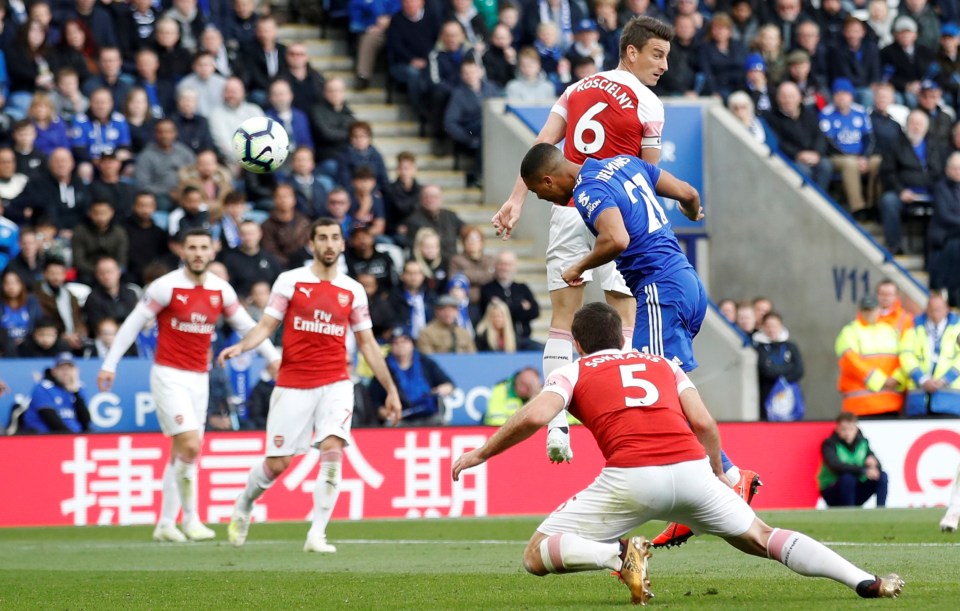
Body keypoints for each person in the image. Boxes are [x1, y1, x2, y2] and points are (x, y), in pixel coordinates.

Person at [452, 303, 904, 605]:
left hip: (630, 478)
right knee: (763, 538)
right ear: (620, 337)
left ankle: (619, 556)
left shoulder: (576, 370)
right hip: (692, 470)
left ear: (579, 343)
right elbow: (704, 423)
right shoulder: (663, 364)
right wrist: (719, 477)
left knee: (536, 555)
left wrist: (481, 453)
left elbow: (534, 417)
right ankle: (864, 580)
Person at [520, 143, 760, 544]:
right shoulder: (626, 162)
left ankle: (728, 481)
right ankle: (721, 484)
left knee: (657, 397)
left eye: (537, 192)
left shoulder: (587, 190)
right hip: (688, 284)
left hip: (657, 292)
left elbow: (616, 239)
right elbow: (687, 192)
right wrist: (692, 211)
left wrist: (577, 266)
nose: (542, 198)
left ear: (547, 179)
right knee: (669, 395)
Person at [491, 16, 671, 463]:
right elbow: (645, 178)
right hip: (617, 215)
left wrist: (516, 200)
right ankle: (628, 423)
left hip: (569, 209)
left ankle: (556, 425)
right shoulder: (648, 103)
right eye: (657, 54)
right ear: (631, 51)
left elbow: (542, 146)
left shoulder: (577, 88)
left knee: (560, 321)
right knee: (624, 318)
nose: (664, 65)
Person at [217, 218, 402, 553]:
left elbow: (369, 345)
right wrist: (242, 346)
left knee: (333, 447)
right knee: (278, 464)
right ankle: (244, 505)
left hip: (336, 382)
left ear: (342, 245)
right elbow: (266, 326)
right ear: (312, 244)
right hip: (294, 383)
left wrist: (390, 389)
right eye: (323, 238)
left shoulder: (353, 290)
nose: (329, 244)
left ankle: (317, 533)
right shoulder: (290, 281)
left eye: (335, 238)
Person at [97, 229, 281, 544]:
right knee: (192, 445)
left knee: (183, 451)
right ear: (183, 251)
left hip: (200, 378)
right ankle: (192, 519)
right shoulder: (165, 287)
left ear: (213, 252)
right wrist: (110, 363)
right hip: (168, 375)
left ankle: (166, 523)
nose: (197, 253)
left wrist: (272, 356)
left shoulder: (221, 291)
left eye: (203, 248)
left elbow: (247, 326)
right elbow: (133, 322)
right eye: (192, 247)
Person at [819, 78, 882, 217]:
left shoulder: (860, 111)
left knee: (877, 161)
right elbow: (828, 143)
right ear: (833, 96)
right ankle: (858, 208)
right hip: (838, 157)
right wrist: (853, 157)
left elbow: (869, 138)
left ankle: (873, 205)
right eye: (838, 93)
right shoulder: (826, 113)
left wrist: (864, 157)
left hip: (860, 156)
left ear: (851, 95)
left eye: (845, 93)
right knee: (850, 164)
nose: (841, 97)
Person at [835, 294, 904, 418]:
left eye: (872, 309)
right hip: (861, 405)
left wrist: (897, 378)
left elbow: (903, 357)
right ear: (860, 311)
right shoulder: (850, 331)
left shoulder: (889, 331)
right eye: (866, 310)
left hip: (890, 403)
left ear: (879, 310)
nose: (869, 313)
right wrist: (880, 380)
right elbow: (850, 361)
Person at [369, 325, 453, 425]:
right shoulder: (384, 368)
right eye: (396, 343)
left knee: (440, 422)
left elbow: (448, 384)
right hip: (401, 417)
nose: (401, 346)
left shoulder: (425, 362)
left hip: (428, 414)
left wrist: (443, 388)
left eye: (404, 341)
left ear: (412, 343)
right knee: (391, 425)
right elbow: (374, 401)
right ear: (391, 346)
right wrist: (386, 413)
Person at [899, 293, 960, 417]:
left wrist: (945, 379)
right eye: (931, 309)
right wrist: (922, 379)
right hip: (919, 399)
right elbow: (906, 356)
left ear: (947, 309)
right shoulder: (913, 329)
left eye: (938, 309)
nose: (934, 313)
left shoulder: (957, 329)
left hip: (950, 400)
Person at [818, 413, 888, 507]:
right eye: (844, 429)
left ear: (856, 429)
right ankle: (849, 512)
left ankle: (881, 510)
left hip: (856, 490)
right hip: (833, 490)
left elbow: (876, 463)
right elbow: (835, 465)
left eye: (851, 429)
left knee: (882, 476)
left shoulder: (862, 443)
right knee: (848, 478)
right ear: (837, 429)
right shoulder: (829, 444)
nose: (847, 433)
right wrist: (863, 470)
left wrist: (874, 464)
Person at [20, 352, 91, 434]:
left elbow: (86, 422)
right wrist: (71, 439)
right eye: (62, 369)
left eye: (69, 368)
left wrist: (76, 393)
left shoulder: (79, 388)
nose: (66, 373)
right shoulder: (43, 388)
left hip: (74, 437)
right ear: (54, 371)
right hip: (48, 437)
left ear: (76, 371)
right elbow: (51, 420)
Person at [754, 311, 805, 421]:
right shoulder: (759, 348)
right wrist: (787, 367)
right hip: (767, 396)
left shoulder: (791, 346)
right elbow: (765, 371)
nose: (772, 330)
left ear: (781, 326)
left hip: (790, 396)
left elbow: (799, 370)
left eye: (775, 326)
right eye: (768, 326)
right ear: (762, 327)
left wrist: (780, 377)